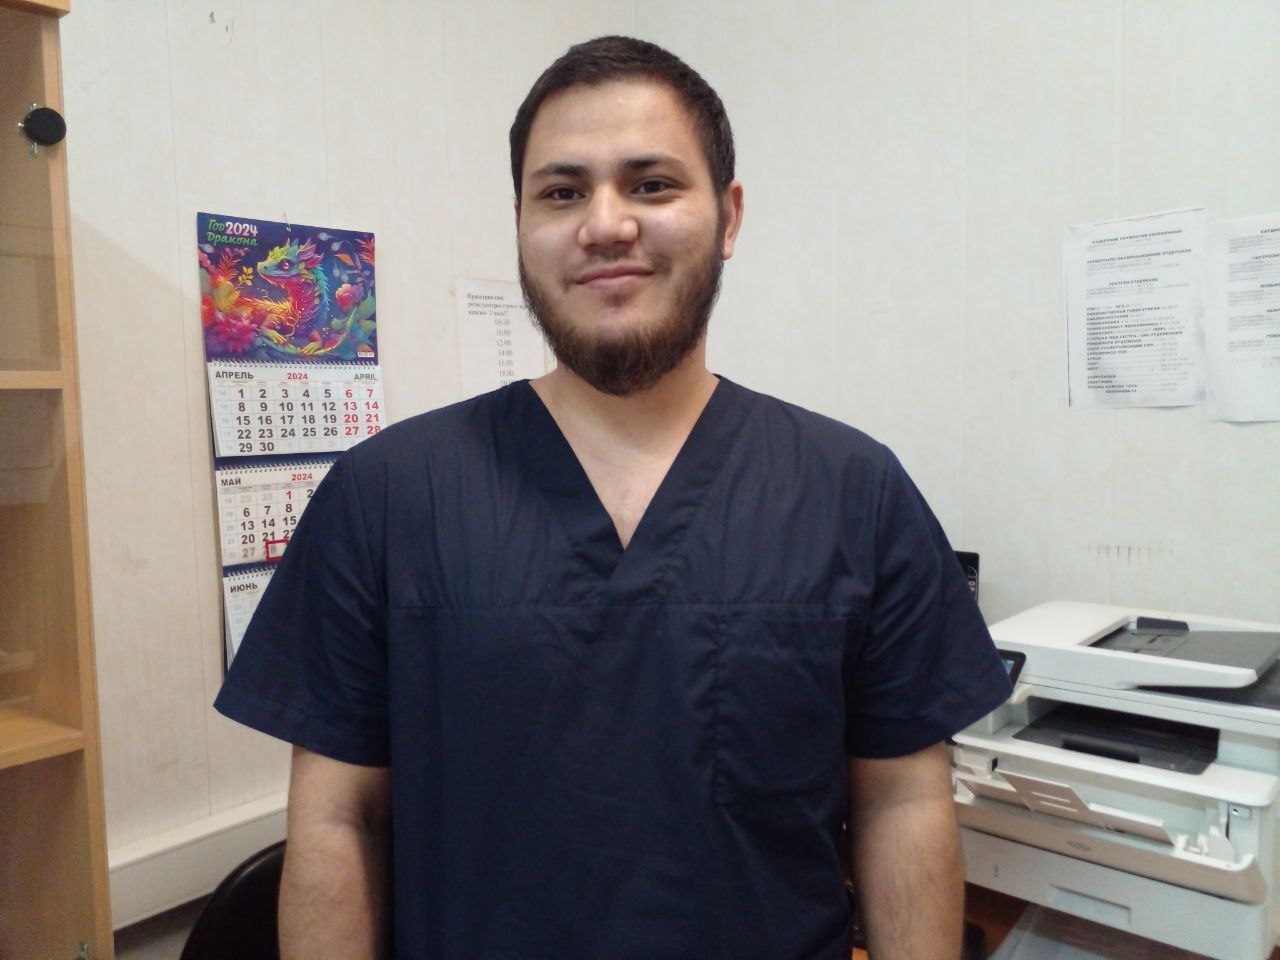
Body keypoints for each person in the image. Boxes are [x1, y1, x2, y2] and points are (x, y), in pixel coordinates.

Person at [215, 35, 1012, 960]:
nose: (605, 224)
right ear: (520, 222)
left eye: (651, 184)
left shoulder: (855, 493)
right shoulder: (386, 495)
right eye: (562, 192)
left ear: (729, 216)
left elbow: (901, 801)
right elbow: (337, 820)